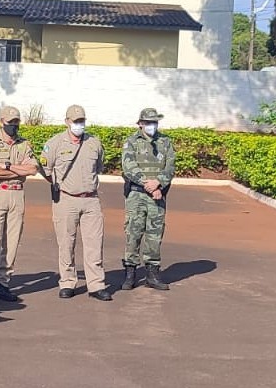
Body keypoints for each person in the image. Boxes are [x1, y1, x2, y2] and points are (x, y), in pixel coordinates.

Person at [43, 106, 111, 302]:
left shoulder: (94, 143)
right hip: (66, 199)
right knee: (66, 243)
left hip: (91, 200)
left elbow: (98, 167)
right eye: (75, 121)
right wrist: (60, 186)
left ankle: (96, 285)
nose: (79, 124)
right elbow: (46, 170)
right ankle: (67, 282)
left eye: (82, 121)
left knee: (95, 243)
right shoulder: (54, 143)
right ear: (67, 122)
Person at [0, 106, 38, 307]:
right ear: (1, 121)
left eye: (16, 122)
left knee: (12, 242)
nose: (13, 125)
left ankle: (1, 283)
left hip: (17, 194)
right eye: (9, 122)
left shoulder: (24, 144)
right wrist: (17, 170)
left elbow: (32, 169)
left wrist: (8, 167)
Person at [119, 107, 176, 292]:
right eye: (149, 122)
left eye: (155, 122)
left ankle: (152, 273)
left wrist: (158, 183)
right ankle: (130, 273)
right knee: (133, 233)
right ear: (140, 123)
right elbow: (128, 167)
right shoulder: (131, 142)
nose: (152, 125)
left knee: (154, 234)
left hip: (158, 195)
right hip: (136, 194)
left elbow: (170, 167)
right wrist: (147, 184)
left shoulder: (165, 141)